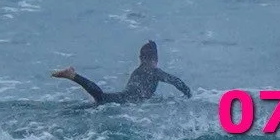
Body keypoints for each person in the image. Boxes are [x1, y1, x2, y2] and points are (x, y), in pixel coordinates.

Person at [52, 41, 190, 106]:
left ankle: (73, 76)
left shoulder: (138, 71)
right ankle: (72, 75)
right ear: (156, 59)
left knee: (101, 98)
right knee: (101, 97)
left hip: (126, 98)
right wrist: (188, 95)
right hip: (129, 100)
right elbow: (176, 81)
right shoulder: (154, 71)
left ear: (140, 58)